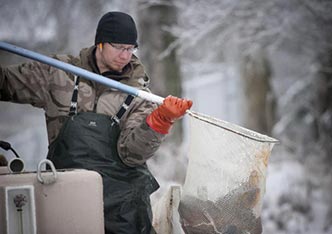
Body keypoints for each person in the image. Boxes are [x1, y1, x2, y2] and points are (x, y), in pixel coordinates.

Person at [0, 11, 192, 234]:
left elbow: (131, 154)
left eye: (130, 48)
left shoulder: (139, 97)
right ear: (100, 43)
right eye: (119, 47)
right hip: (64, 198)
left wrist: (160, 120)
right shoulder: (59, 74)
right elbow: (6, 83)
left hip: (124, 209)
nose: (125, 55)